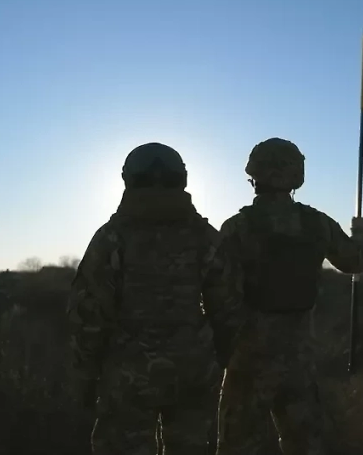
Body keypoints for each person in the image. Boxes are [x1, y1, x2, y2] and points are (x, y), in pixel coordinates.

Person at [67, 142, 244, 455]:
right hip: (193, 371)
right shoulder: (205, 236)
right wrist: (221, 360)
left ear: (129, 179)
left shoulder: (111, 236)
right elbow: (229, 308)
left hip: (127, 374)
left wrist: (85, 372)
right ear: (182, 179)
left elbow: (89, 314)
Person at [215, 137, 363, 455]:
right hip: (299, 357)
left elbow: (219, 294)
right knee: (305, 442)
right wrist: (359, 233)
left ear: (254, 174)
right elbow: (354, 262)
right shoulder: (317, 224)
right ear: (296, 175)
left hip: (249, 358)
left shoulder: (237, 227)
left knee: (237, 444)